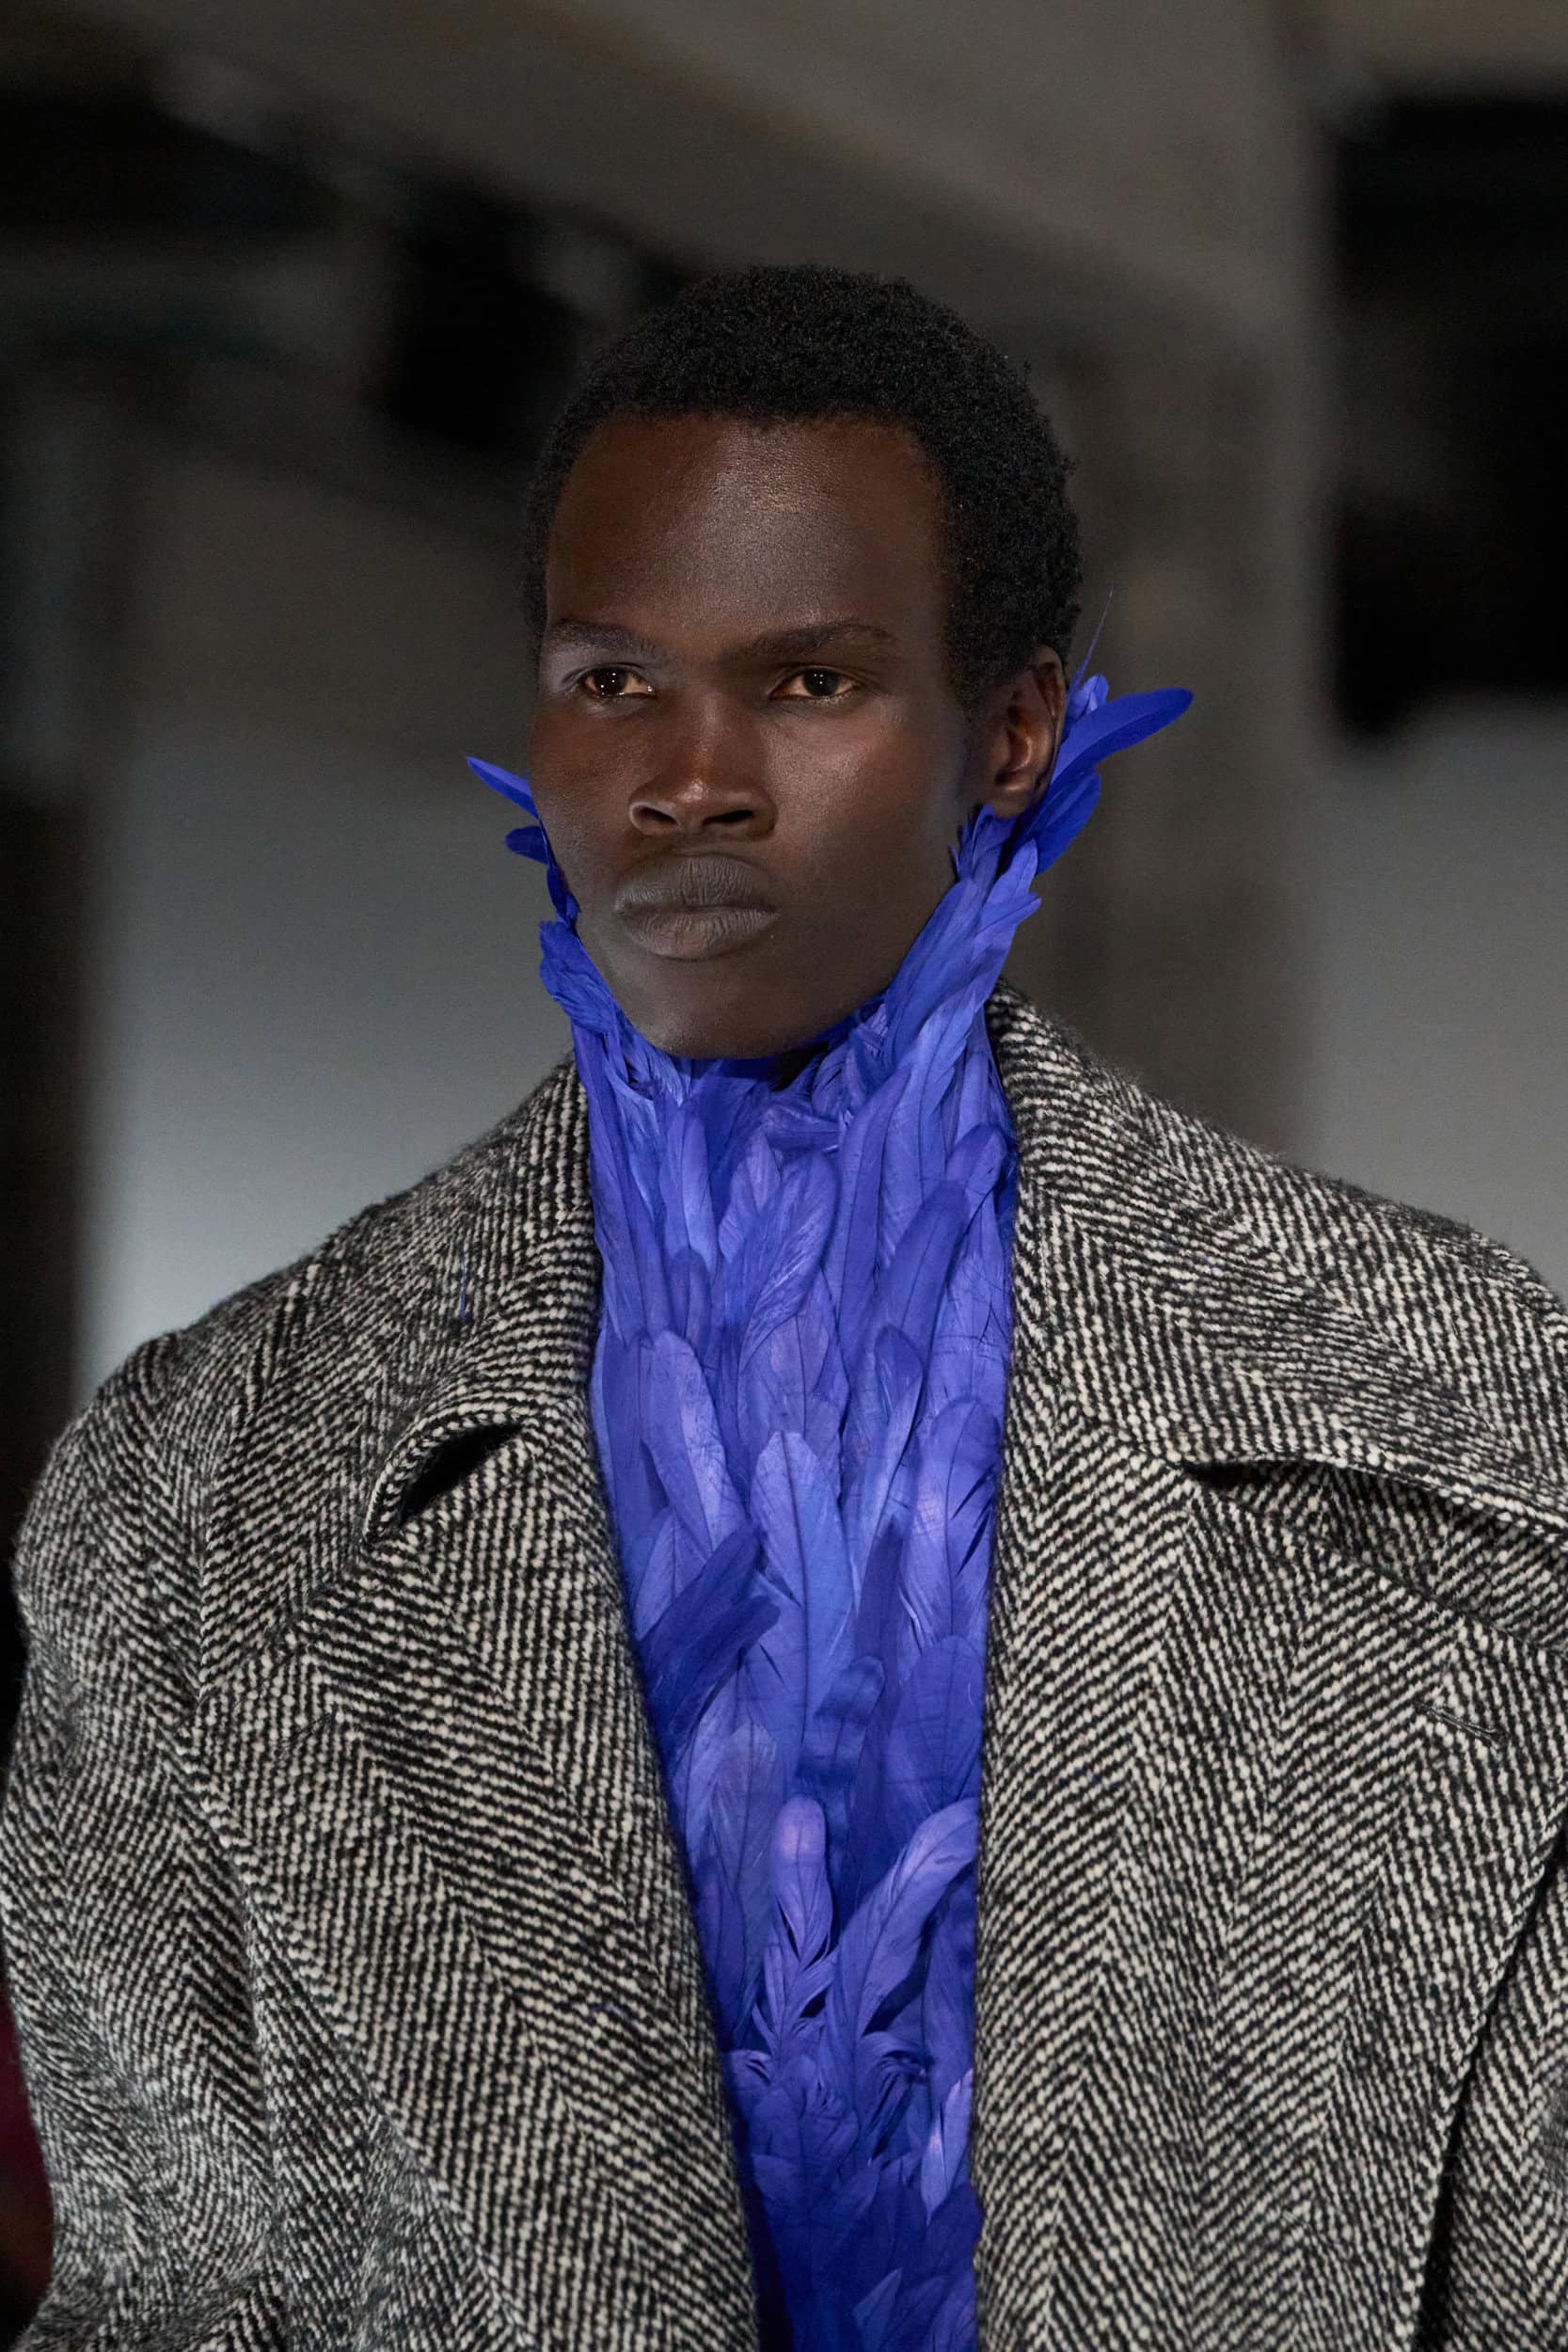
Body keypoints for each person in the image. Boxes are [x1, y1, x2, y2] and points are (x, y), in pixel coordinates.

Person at [2, 262, 1566, 2352]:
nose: (690, 777)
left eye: (810, 681)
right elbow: (157, 2303)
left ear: (1013, 732)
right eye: (611, 679)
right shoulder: (198, 1496)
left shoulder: (1457, 1427)